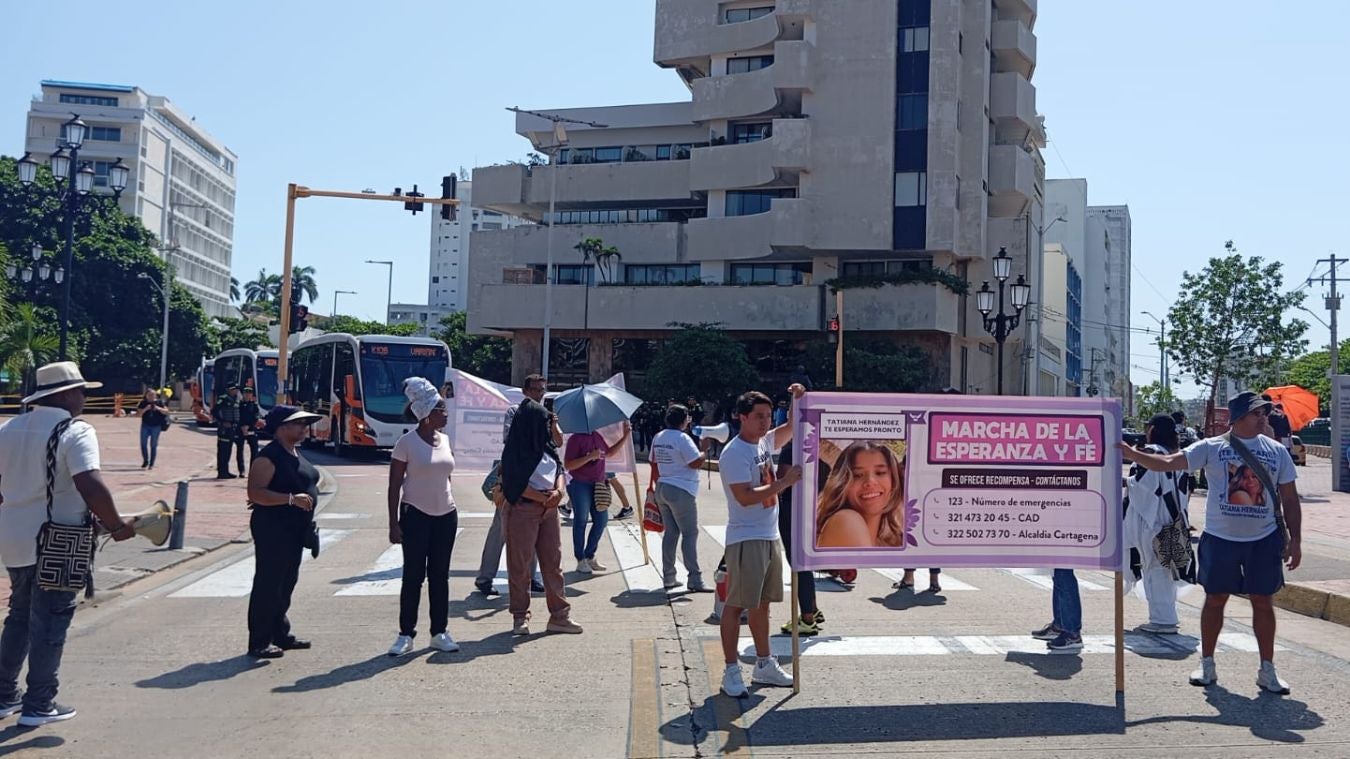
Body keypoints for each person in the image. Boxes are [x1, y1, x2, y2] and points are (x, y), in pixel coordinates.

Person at [1121, 391, 1302, 694]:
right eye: (1257, 413)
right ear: (1239, 417)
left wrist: (1296, 540)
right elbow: (1168, 463)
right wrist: (1133, 454)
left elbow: (1290, 497)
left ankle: (1267, 669)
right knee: (1215, 599)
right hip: (1221, 539)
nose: (1263, 418)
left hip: (1263, 539)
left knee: (1263, 601)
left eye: (1264, 413)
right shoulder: (1212, 448)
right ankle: (1207, 663)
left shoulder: (1276, 451)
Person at [0, 362, 135, 726]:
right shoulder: (74, 430)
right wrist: (116, 525)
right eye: (80, 391)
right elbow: (89, 483)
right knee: (51, 620)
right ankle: (39, 704)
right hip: (57, 541)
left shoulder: (8, 428)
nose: (83, 398)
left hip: (13, 536)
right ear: (62, 395)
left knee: (19, 616)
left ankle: (3, 695)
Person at [718, 384, 806, 698]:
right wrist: (784, 483)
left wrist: (797, 398)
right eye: (758, 416)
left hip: (769, 535)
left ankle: (764, 662)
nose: (765, 422)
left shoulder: (763, 443)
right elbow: (744, 497)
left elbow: (793, 427)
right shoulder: (734, 453)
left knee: (763, 604)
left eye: (768, 416)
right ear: (741, 417)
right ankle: (730, 669)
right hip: (746, 537)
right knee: (737, 604)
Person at [498, 390, 582, 637]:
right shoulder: (515, 451)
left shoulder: (545, 445)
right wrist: (542, 498)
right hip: (523, 509)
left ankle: (559, 616)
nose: (547, 426)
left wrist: (558, 491)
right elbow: (512, 483)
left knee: (553, 565)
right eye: (544, 422)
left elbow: (558, 468)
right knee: (520, 566)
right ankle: (520, 617)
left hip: (549, 510)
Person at [387, 379, 461, 656]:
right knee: (413, 576)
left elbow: (447, 475)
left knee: (440, 576)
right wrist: (394, 523)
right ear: (427, 414)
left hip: (446, 515)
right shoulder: (405, 443)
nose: (446, 414)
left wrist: (450, 502)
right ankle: (406, 634)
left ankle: (439, 632)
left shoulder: (445, 440)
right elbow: (394, 485)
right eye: (441, 410)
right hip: (416, 515)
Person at [245, 405, 323, 659]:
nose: (303, 428)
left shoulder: (295, 452)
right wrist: (291, 499)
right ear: (281, 428)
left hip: (295, 530)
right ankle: (259, 641)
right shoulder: (269, 456)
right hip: (273, 528)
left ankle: (280, 633)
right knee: (269, 583)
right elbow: (256, 492)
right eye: (297, 423)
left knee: (286, 583)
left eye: (304, 423)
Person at [474, 375, 551, 597]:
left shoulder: (545, 415)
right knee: (500, 529)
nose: (540, 394)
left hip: (537, 476)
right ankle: (485, 577)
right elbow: (510, 440)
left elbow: (551, 444)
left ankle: (531, 576)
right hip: (514, 474)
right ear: (526, 391)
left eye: (542, 390)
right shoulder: (514, 412)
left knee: (535, 528)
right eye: (536, 390)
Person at [1123, 413, 1194, 635]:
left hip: (1153, 519)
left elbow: (1144, 486)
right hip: (1174, 518)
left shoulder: (1150, 453)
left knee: (1154, 567)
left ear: (1153, 429)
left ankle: (1163, 619)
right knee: (1166, 568)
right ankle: (1166, 615)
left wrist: (1124, 482)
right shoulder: (1177, 456)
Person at [650, 404, 714, 591]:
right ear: (683, 419)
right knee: (690, 533)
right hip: (681, 489)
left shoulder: (658, 436)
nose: (689, 420)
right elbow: (694, 463)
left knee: (671, 533)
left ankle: (669, 576)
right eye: (688, 416)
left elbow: (653, 464)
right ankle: (695, 578)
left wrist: (655, 488)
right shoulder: (682, 438)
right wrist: (704, 450)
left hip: (663, 486)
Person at [563, 420, 631, 574]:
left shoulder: (597, 436)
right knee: (581, 520)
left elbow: (609, 453)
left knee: (601, 520)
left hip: (598, 484)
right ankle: (580, 559)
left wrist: (626, 436)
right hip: (579, 483)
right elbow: (568, 465)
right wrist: (589, 457)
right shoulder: (576, 438)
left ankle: (589, 555)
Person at [815, 441, 907, 548]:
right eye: (857, 475)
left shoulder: (888, 541)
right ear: (842, 484)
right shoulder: (846, 520)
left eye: (880, 473)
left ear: (894, 481)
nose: (870, 481)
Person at [777, 439, 823, 636]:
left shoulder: (792, 447)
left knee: (797, 562)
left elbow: (781, 482)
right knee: (806, 562)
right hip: (815, 506)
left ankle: (807, 619)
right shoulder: (820, 442)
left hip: (792, 508)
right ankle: (812, 609)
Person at [213, 384, 243, 479]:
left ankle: (226, 471)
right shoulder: (223, 399)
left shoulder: (237, 399)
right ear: (229, 390)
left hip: (233, 428)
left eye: (237, 390)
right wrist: (222, 422)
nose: (236, 391)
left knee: (228, 450)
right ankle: (221, 472)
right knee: (223, 450)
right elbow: (214, 411)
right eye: (234, 389)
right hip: (224, 429)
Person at [136, 389, 169, 470]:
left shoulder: (159, 402)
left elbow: (166, 411)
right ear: (146, 395)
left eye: (153, 395)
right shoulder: (143, 402)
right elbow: (138, 414)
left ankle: (151, 463)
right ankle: (145, 460)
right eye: (149, 395)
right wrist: (145, 409)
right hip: (145, 425)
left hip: (156, 426)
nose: (151, 397)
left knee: (153, 445)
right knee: (143, 444)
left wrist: (158, 408)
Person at [239, 387, 262, 467]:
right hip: (240, 430)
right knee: (239, 450)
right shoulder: (239, 404)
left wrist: (248, 426)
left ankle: (252, 469)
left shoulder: (254, 405)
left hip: (251, 429)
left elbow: (256, 417)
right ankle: (241, 470)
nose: (247, 395)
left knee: (254, 450)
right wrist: (242, 426)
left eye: (249, 393)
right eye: (246, 393)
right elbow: (237, 416)